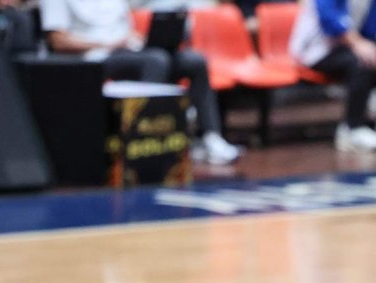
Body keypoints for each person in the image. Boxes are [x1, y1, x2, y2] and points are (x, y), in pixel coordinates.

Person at [39, 0, 243, 165]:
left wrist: (146, 38)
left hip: (129, 50)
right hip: (94, 56)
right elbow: (58, 41)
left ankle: (210, 138)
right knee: (156, 61)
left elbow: (127, 26)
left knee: (194, 61)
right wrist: (107, 44)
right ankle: (149, 142)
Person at [289, 0, 376, 152]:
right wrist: (358, 43)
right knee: (362, 61)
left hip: (349, 47)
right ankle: (352, 128)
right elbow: (329, 19)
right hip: (316, 51)